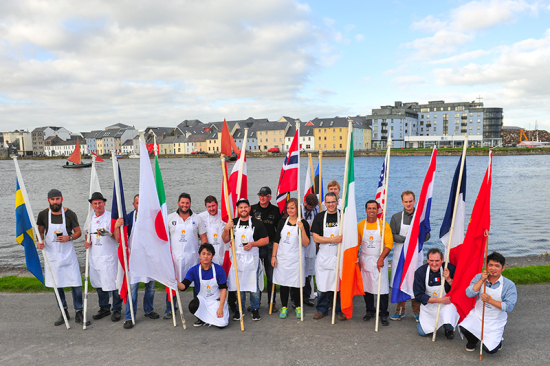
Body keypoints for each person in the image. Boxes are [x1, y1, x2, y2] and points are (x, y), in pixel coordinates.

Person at [37, 189, 85, 326]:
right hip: (52, 254)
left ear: (62, 199)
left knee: (76, 283)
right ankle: (63, 311)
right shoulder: (42, 215)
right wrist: (39, 242)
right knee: (56, 284)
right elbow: (40, 232)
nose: (55, 202)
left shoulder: (70, 214)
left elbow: (78, 232)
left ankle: (79, 311)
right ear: (48, 201)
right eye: (53, 199)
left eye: (57, 199)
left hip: (68, 254)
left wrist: (69, 237)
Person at [459, 252, 517, 354]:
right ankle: (473, 340)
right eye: (490, 265)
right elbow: (469, 293)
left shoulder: (509, 285)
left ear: (503, 268)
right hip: (478, 315)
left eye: (497, 266)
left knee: (490, 350)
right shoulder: (479, 277)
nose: (493, 268)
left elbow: (508, 307)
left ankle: (498, 341)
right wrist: (482, 280)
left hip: (495, 320)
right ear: (486, 266)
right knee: (463, 327)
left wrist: (490, 301)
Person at [222, 198, 269, 321]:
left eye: (245, 207)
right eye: (240, 207)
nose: (243, 209)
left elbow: (266, 240)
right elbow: (225, 240)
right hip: (237, 259)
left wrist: (252, 244)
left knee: (254, 286)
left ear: (249, 208)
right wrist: (226, 228)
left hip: (252, 259)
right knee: (239, 285)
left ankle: (255, 308)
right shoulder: (233, 223)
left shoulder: (256, 223)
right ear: (237, 209)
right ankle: (240, 309)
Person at [165, 193, 207, 319]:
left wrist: (203, 256)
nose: (185, 205)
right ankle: (170, 309)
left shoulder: (197, 219)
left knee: (197, 285)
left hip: (193, 258)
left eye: (187, 203)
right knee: (172, 283)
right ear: (178, 203)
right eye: (182, 203)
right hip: (175, 258)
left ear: (190, 204)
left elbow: (204, 238)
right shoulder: (169, 218)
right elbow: (164, 240)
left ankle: (198, 309)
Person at [84, 192, 124, 323]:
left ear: (104, 203)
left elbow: (117, 238)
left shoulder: (110, 217)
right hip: (95, 257)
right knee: (98, 284)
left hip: (109, 256)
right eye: (95, 203)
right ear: (92, 205)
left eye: (100, 203)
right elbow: (87, 234)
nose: (97, 205)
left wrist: (108, 233)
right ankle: (104, 307)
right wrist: (86, 242)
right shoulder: (89, 219)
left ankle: (116, 309)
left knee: (114, 282)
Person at [389, 190, 429, 321]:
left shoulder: (421, 216)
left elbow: (427, 236)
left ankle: (416, 311)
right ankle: (400, 310)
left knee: (415, 281)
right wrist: (407, 240)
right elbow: (392, 235)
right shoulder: (396, 217)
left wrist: (416, 238)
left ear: (415, 200)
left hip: (416, 254)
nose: (408, 204)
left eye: (410, 201)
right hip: (400, 253)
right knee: (401, 280)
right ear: (402, 202)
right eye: (405, 201)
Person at [123, 194, 160, 330]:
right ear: (134, 204)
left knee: (150, 287)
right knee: (133, 289)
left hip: (149, 257)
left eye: (143, 203)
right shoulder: (129, 217)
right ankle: (129, 316)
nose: (140, 206)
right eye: (138, 203)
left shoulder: (152, 218)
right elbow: (121, 237)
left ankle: (149, 310)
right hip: (135, 258)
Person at [272, 198, 310, 319]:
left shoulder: (302, 223)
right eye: (288, 208)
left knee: (296, 283)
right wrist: (273, 256)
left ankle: (298, 306)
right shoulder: (282, 222)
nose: (290, 210)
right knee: (283, 284)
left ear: (297, 209)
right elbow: (277, 240)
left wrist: (302, 229)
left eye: (292, 208)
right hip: (283, 258)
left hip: (296, 259)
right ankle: (284, 306)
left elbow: (306, 243)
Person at [310, 192, 345, 321]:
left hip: (338, 255)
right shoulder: (319, 217)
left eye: (333, 202)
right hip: (324, 256)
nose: (330, 205)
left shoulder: (343, 216)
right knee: (322, 285)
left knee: (339, 286)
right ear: (325, 203)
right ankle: (321, 309)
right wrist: (334, 239)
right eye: (328, 202)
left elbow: (349, 235)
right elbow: (316, 237)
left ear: (337, 202)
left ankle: (339, 310)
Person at [358, 200, 393, 326]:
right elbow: (357, 243)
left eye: (374, 208)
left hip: (380, 260)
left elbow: (389, 244)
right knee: (367, 288)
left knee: (382, 289)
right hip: (365, 260)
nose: (372, 210)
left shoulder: (384, 225)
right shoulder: (361, 225)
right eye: (369, 208)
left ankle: (383, 314)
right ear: (366, 210)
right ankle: (370, 310)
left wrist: (381, 258)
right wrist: (356, 258)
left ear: (378, 210)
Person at [177, 243, 229, 328]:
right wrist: (175, 282)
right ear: (199, 256)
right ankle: (202, 319)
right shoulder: (193, 270)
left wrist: (220, 307)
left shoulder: (219, 269)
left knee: (222, 324)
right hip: (203, 300)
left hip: (216, 301)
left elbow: (223, 289)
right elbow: (183, 287)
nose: (206, 256)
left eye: (209, 254)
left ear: (212, 256)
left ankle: (211, 317)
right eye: (203, 254)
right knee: (193, 306)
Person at [413, 248, 459, 339]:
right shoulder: (420, 272)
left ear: (442, 260)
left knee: (448, 319)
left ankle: (448, 328)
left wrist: (449, 279)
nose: (434, 264)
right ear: (427, 260)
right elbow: (418, 296)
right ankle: (427, 323)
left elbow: (459, 288)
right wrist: (440, 300)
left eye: (437, 261)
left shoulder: (450, 268)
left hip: (446, 305)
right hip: (429, 307)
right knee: (422, 332)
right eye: (431, 261)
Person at [250, 187, 281, 311]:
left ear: (270, 197)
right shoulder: (252, 209)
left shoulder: (275, 210)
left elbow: (279, 230)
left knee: (270, 276)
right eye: (260, 195)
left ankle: (271, 303)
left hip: (269, 247)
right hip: (256, 246)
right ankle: (255, 304)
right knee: (254, 276)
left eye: (265, 195)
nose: (262, 197)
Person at [198, 196, 227, 267]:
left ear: (217, 204)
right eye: (209, 207)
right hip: (210, 254)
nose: (211, 209)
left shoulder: (225, 214)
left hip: (224, 251)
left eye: (213, 206)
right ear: (206, 207)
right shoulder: (200, 217)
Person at [301, 193, 319, 307]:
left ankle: (307, 296)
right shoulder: (299, 209)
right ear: (305, 203)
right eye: (310, 207)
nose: (312, 209)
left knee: (308, 271)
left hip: (312, 241)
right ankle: (297, 297)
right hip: (300, 242)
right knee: (299, 270)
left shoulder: (316, 210)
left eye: (313, 207)